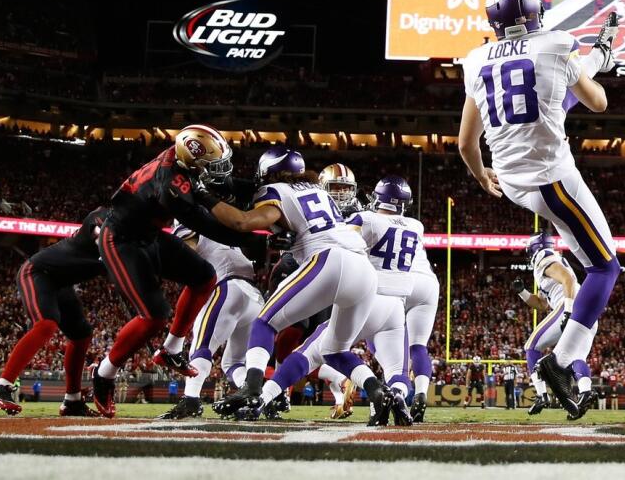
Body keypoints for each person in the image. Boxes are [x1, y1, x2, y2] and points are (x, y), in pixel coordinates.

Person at [457, 0, 620, 418]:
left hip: (511, 181)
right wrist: (596, 62)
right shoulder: (557, 42)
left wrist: (480, 177)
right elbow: (598, 102)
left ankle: (561, 363)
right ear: (533, 11)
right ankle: (563, 362)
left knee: (552, 107)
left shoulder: (475, 60)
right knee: (604, 268)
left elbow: (466, 143)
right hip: (552, 179)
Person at [209, 148, 407, 426]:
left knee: (264, 323)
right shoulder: (318, 191)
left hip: (328, 260)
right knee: (334, 350)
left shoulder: (274, 190)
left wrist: (204, 200)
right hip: (363, 270)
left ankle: (252, 387)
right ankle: (377, 392)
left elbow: (244, 222)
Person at [89, 125, 253, 418]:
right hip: (121, 240)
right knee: (154, 316)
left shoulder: (181, 163)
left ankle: (171, 349)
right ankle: (104, 374)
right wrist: (252, 235)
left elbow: (222, 186)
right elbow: (210, 228)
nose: (221, 170)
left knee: (204, 277)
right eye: (212, 165)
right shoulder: (171, 185)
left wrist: (264, 188)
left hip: (147, 235)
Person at [0, 207, 112, 417]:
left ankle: (73, 400)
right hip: (38, 272)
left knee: (81, 335)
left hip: (62, 283)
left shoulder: (132, 234)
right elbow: (99, 229)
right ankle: (1, 387)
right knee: (46, 323)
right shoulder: (106, 216)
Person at [156, 194, 265, 421]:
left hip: (226, 287)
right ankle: (257, 397)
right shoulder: (223, 217)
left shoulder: (188, 217)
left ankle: (191, 400)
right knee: (232, 362)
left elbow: (189, 253)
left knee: (202, 345)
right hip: (254, 296)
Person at [348, 174, 439, 423]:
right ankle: (419, 393)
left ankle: (387, 380)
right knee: (418, 346)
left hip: (396, 281)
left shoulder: (369, 219)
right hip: (427, 284)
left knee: (379, 331)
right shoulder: (415, 225)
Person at [519, 231, 596, 419]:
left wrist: (568, 309)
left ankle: (541, 394)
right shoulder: (554, 260)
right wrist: (521, 292)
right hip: (587, 311)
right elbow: (542, 304)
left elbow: (568, 279)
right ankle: (586, 392)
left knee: (531, 346)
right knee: (576, 358)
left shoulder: (543, 257)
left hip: (569, 305)